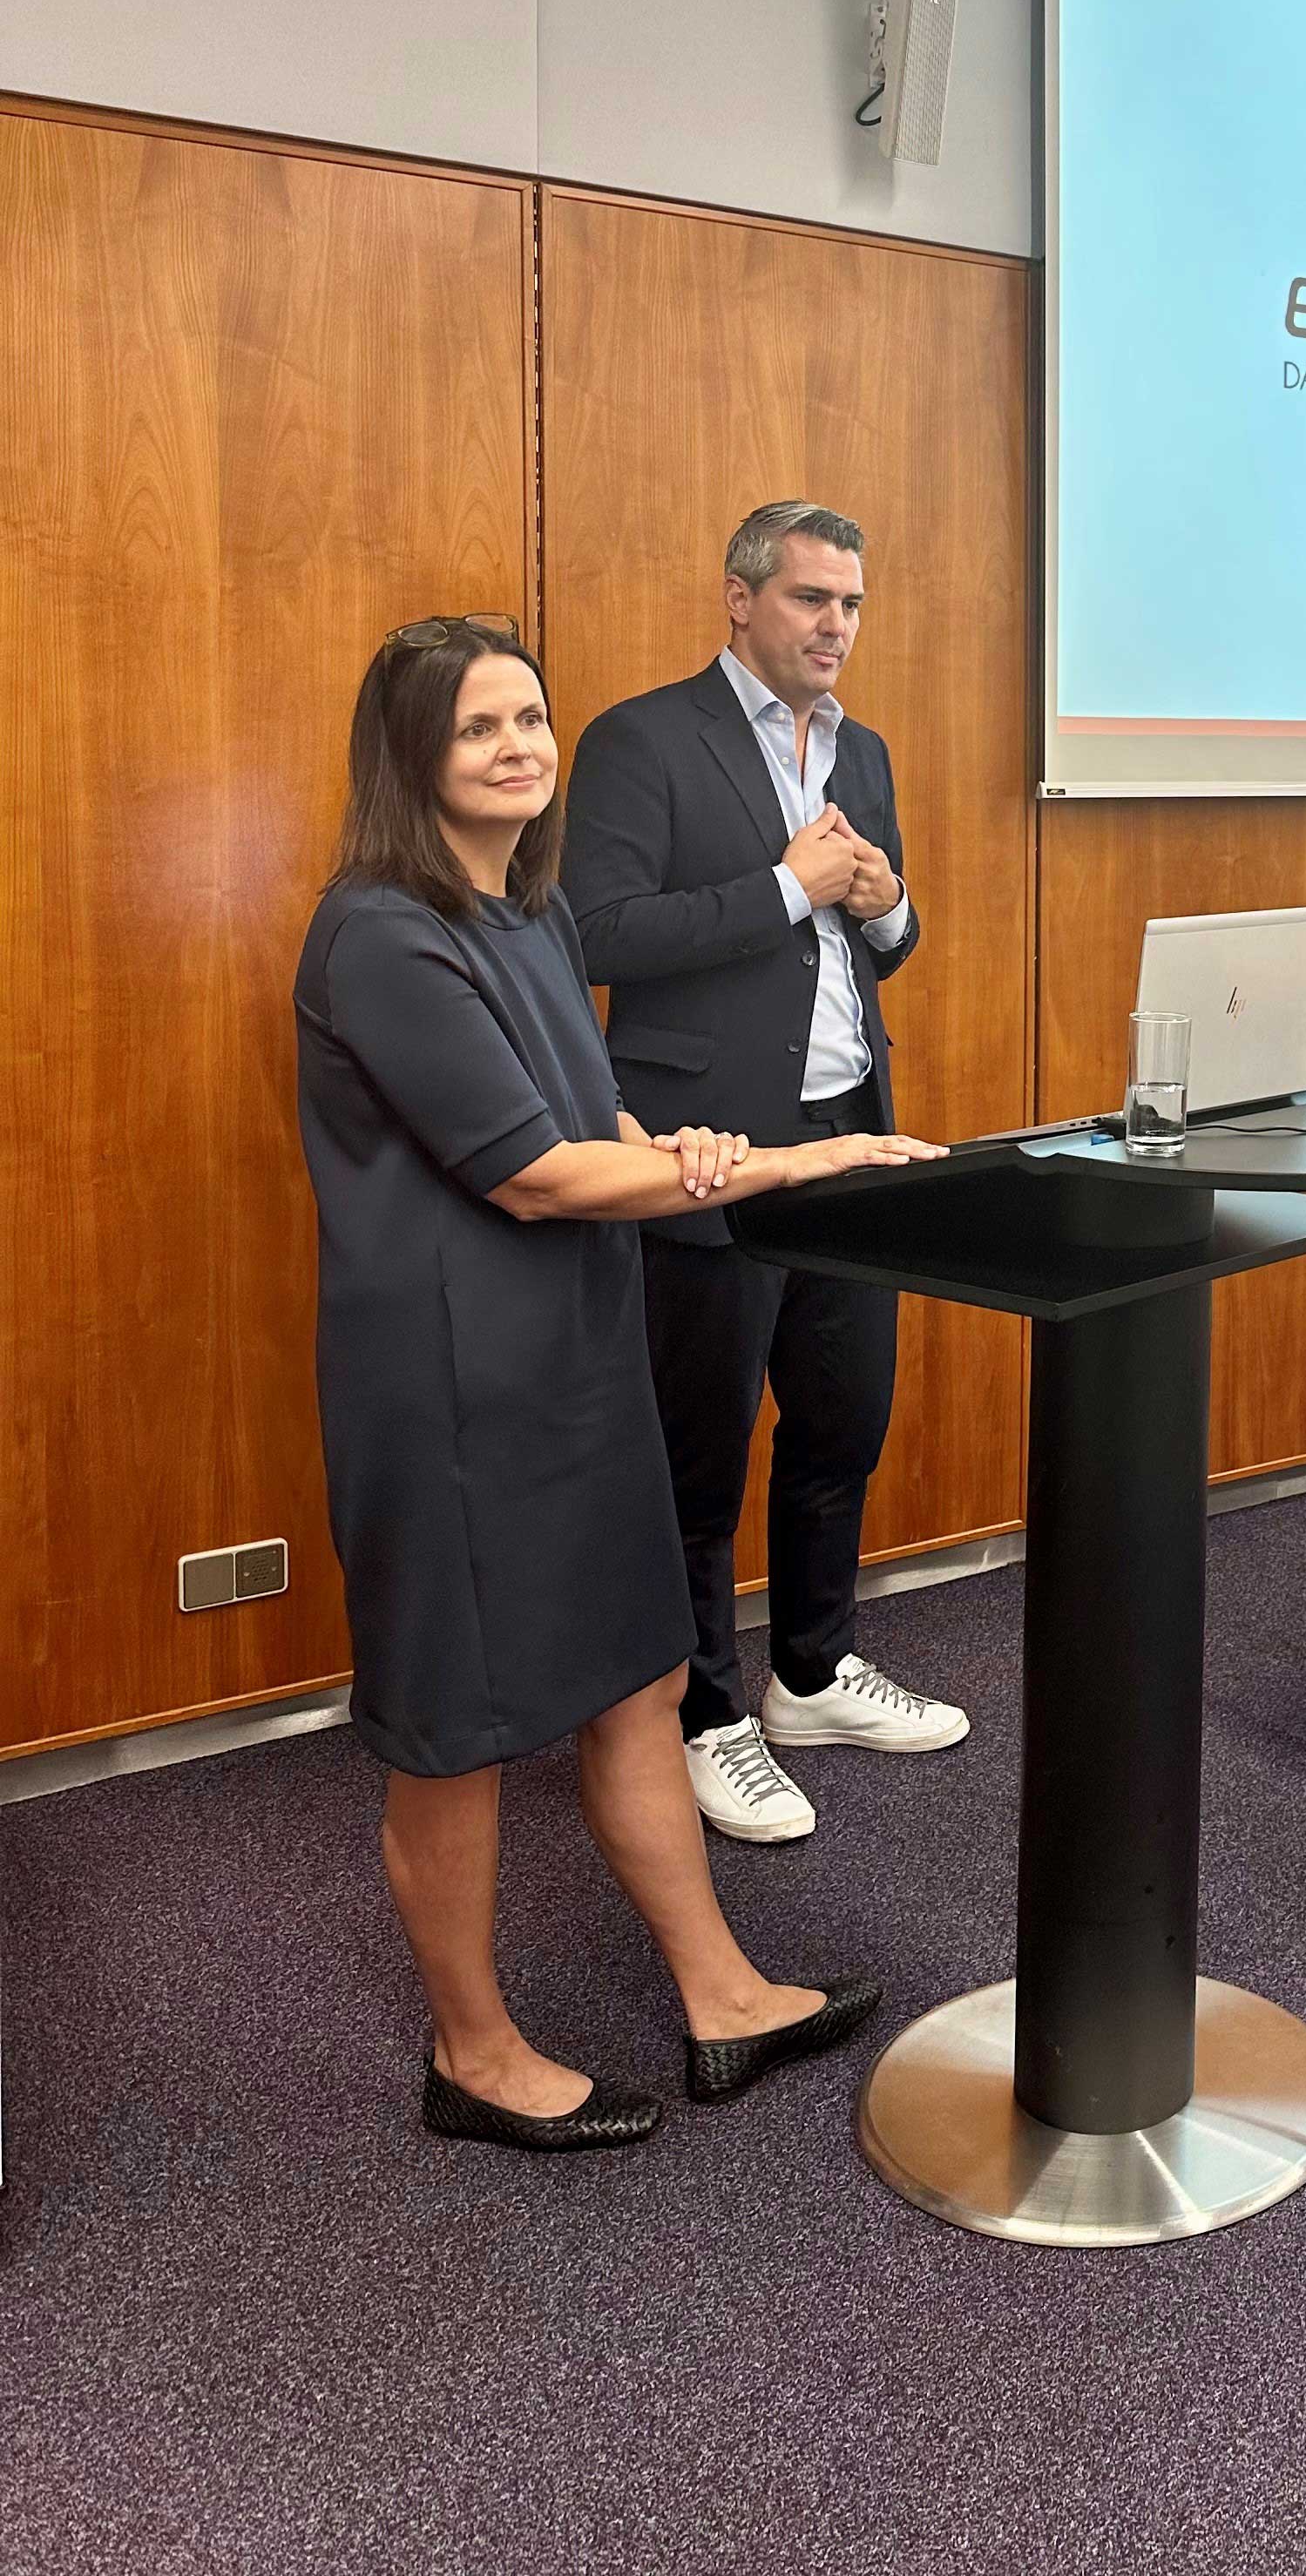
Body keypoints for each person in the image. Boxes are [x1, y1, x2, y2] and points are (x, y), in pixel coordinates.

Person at [294, 613, 943, 2151]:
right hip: (454, 1387)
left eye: (529, 718)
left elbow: (586, 1127)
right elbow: (527, 1172)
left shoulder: (530, 912)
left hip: (577, 1354)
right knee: (457, 1733)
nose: (518, 747)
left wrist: (678, 1147)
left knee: (641, 1677)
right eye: (477, 728)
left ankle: (722, 1993)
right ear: (410, 754)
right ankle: (472, 2055)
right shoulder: (381, 932)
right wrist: (792, 1160)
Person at [562, 504, 966, 1846]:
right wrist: (791, 886)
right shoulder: (642, 740)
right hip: (705, 1152)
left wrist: (885, 908)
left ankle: (812, 1671)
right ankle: (703, 1715)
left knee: (842, 1422)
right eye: (809, 598)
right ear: (739, 599)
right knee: (701, 1455)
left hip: (849, 1135)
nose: (835, 626)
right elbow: (599, 934)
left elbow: (880, 942)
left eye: (851, 603)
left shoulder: (867, 751)